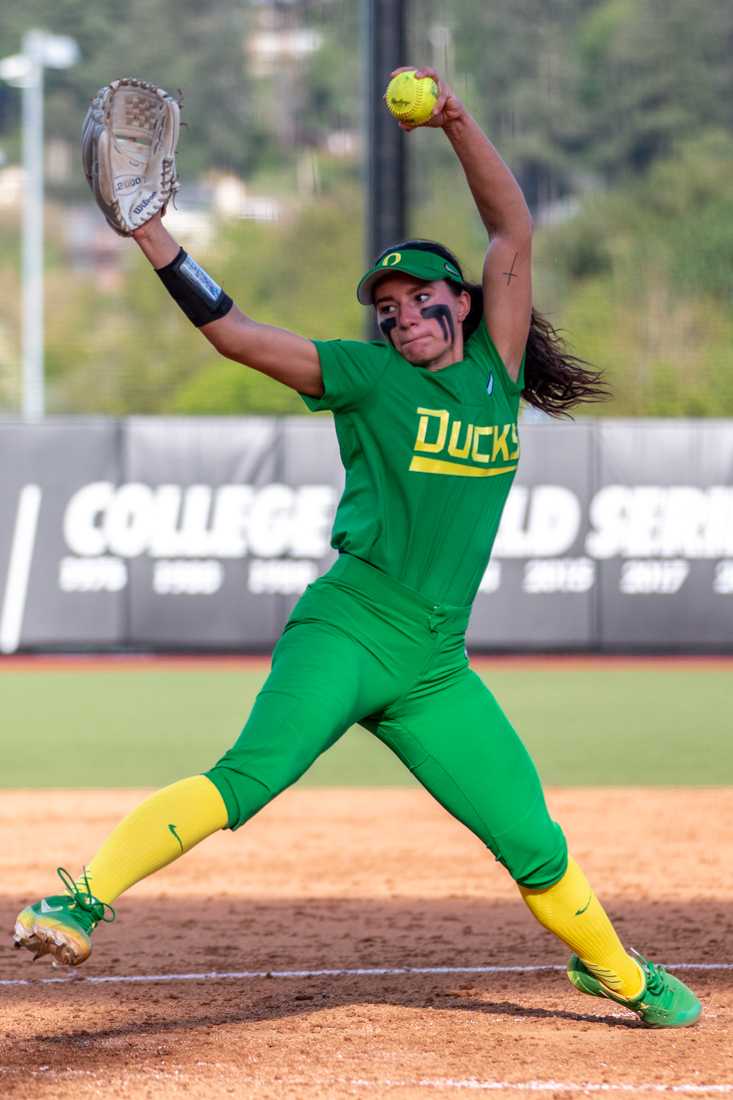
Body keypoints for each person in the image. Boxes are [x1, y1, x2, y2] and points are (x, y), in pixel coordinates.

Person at [14, 67, 700, 1029]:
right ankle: (77, 896)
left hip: (433, 664)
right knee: (247, 780)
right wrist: (152, 236)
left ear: (459, 303)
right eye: (384, 305)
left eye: (413, 297)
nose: (396, 313)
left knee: (532, 841)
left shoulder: (494, 377)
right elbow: (238, 336)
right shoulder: (366, 378)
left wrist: (457, 118)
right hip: (349, 625)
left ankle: (618, 974)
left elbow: (511, 231)